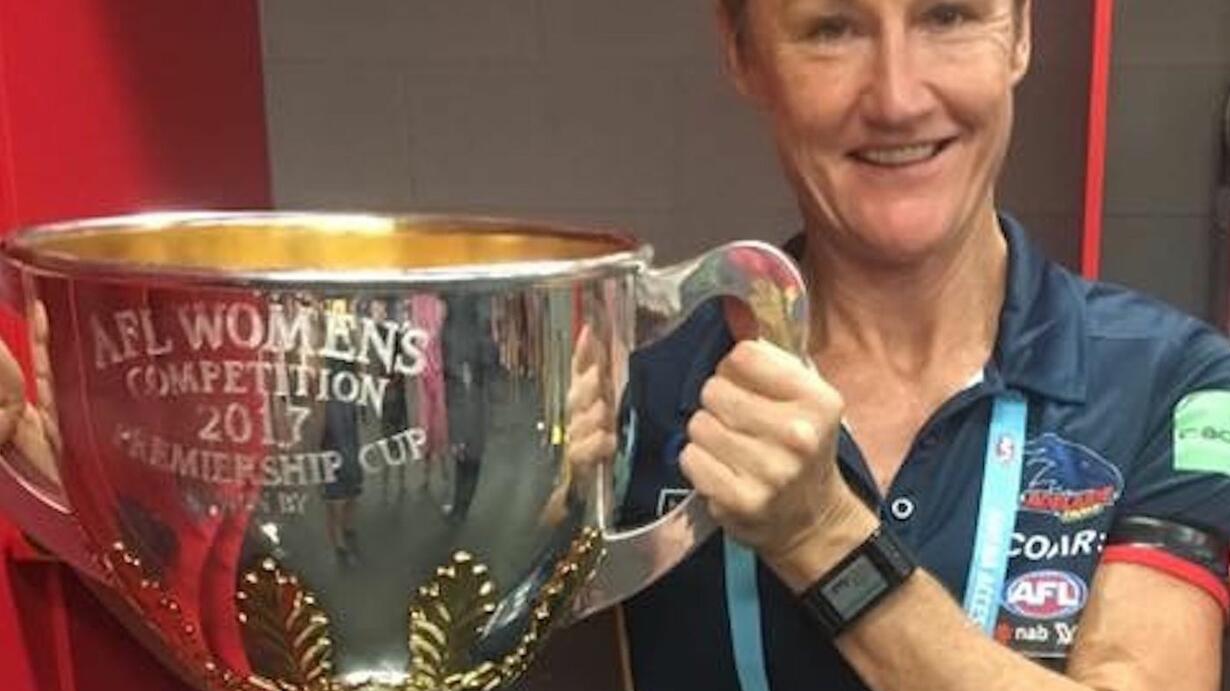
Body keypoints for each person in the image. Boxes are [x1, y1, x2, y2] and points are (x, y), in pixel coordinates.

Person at [568, 1, 1230, 690]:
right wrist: (533, 506)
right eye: (832, 29)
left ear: (1019, 34)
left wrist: (821, 534)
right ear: (744, 53)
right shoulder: (637, 395)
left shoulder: (1175, 385)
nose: (898, 99)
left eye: (949, 17)